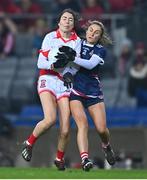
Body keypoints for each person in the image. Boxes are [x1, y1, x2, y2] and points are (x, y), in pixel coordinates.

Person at [21, 8, 81, 171]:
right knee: (49, 119)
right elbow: (41, 62)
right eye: (64, 18)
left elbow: (76, 65)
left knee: (66, 129)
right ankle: (29, 143)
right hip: (47, 78)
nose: (67, 21)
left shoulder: (77, 41)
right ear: (59, 21)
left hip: (63, 83)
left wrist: (69, 73)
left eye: (70, 19)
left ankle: (59, 159)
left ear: (73, 23)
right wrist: (55, 65)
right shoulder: (50, 37)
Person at [55, 20, 116, 171]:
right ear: (86, 30)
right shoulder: (78, 43)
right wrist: (67, 73)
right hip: (76, 90)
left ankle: (106, 146)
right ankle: (85, 159)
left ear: (99, 37)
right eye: (91, 30)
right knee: (82, 124)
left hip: (93, 92)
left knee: (102, 129)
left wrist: (72, 58)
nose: (92, 34)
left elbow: (89, 64)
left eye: (96, 33)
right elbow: (69, 65)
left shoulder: (101, 50)